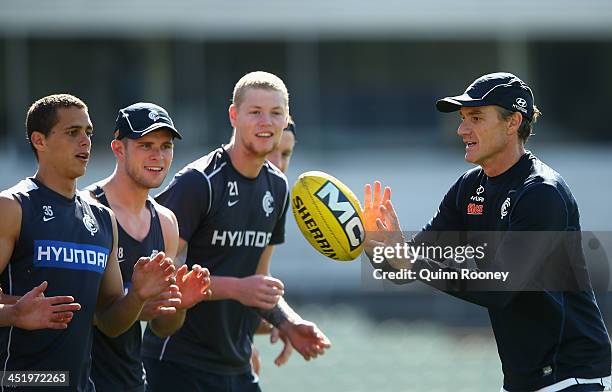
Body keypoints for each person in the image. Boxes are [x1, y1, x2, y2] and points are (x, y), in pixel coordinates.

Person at [364, 72, 611, 392]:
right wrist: (374, 246)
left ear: (512, 123)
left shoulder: (541, 193)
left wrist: (409, 260)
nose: (462, 129)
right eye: (463, 118)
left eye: (476, 118)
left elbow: (500, 288)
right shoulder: (468, 188)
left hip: (572, 378)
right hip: (523, 381)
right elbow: (404, 270)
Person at [142, 71, 330, 392]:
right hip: (177, 364)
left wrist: (287, 322)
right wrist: (236, 288)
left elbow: (260, 282)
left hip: (237, 367)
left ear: (286, 120)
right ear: (234, 116)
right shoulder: (198, 182)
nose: (265, 122)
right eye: (254, 112)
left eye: (275, 113)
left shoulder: (278, 186)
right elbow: (156, 276)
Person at [0, 94, 177, 391]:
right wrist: (12, 314)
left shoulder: (103, 219)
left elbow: (109, 321)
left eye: (89, 132)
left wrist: (138, 295)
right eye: (73, 132)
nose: (85, 141)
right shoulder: (12, 207)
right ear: (39, 141)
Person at [87, 103, 212, 392]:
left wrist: (178, 305)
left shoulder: (166, 222)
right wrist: (138, 300)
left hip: (132, 383)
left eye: (165, 146)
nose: (158, 156)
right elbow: (76, 313)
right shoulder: (86, 210)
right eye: (145, 145)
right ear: (119, 149)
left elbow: (162, 328)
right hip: (82, 382)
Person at [251, 116, 297, 376]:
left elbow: (258, 279)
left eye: (286, 154)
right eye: (272, 152)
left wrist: (284, 321)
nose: (278, 164)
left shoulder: (277, 194)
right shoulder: (206, 185)